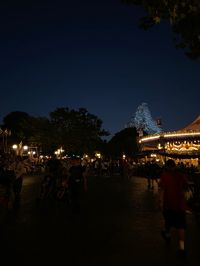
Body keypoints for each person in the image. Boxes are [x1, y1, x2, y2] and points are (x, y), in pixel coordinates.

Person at [159, 159, 188, 257]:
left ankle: (167, 235)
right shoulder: (181, 175)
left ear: (167, 166)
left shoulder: (165, 176)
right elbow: (186, 188)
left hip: (169, 204)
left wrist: (161, 203)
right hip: (180, 205)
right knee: (181, 227)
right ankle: (182, 248)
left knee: (168, 221)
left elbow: (162, 191)